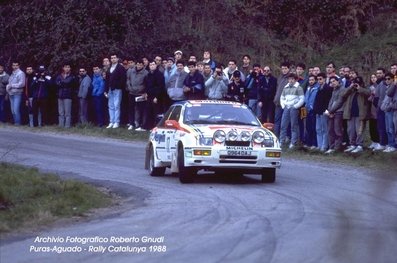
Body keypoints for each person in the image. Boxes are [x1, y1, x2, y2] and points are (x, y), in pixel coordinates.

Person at [342, 76, 371, 153]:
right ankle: (352, 145)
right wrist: (350, 87)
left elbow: (368, 93)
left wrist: (359, 88)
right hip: (350, 113)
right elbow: (343, 95)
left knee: (359, 130)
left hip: (360, 114)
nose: (356, 84)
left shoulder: (363, 89)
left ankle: (359, 145)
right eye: (355, 83)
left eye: (358, 83)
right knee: (351, 130)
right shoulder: (350, 91)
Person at [279, 73, 305, 148]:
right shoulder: (285, 87)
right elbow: (282, 97)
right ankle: (281, 141)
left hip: (294, 108)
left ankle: (293, 142)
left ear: (295, 79)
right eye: (289, 79)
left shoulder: (299, 88)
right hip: (286, 107)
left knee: (294, 125)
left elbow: (302, 99)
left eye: (292, 79)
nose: (290, 80)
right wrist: (284, 106)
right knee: (283, 125)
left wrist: (295, 106)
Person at [142, 60, 165, 131]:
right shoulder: (148, 75)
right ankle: (148, 126)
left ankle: (156, 127)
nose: (152, 66)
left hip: (157, 97)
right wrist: (145, 93)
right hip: (149, 96)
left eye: (153, 65)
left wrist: (157, 97)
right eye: (150, 65)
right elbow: (146, 85)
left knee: (156, 112)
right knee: (149, 111)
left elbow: (161, 86)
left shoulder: (159, 74)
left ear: (156, 65)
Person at [324, 76, 345, 154]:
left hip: (339, 112)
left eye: (334, 81)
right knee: (330, 130)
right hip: (331, 112)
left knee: (337, 130)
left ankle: (337, 148)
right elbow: (331, 101)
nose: (332, 83)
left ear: (338, 81)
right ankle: (331, 147)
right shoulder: (334, 90)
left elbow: (340, 102)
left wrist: (331, 111)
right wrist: (329, 111)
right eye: (331, 82)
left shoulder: (342, 89)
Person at [105, 54, 126, 129]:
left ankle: (116, 122)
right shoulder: (109, 68)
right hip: (110, 89)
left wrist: (118, 86)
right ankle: (111, 121)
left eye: (114, 58)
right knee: (110, 105)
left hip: (117, 89)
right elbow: (107, 80)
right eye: (112, 58)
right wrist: (106, 90)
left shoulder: (120, 68)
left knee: (116, 105)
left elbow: (123, 79)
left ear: (117, 59)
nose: (113, 59)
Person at [126, 59, 148, 130]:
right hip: (131, 92)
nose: (139, 66)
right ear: (136, 64)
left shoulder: (146, 73)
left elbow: (146, 84)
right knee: (131, 109)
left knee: (140, 109)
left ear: (143, 65)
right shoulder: (130, 71)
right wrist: (130, 87)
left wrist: (141, 89)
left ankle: (139, 124)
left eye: (140, 65)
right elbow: (128, 80)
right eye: (138, 64)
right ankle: (131, 123)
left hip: (140, 93)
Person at [313, 72, 332, 152]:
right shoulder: (318, 88)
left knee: (325, 129)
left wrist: (326, 110)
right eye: (318, 79)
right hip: (318, 111)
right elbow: (316, 101)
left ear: (324, 79)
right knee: (318, 129)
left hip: (324, 111)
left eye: (320, 79)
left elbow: (328, 101)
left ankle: (324, 146)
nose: (319, 81)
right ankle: (319, 145)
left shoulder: (328, 88)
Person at [55, 62, 78, 128]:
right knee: (61, 112)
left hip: (68, 95)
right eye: (65, 67)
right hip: (60, 95)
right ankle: (61, 125)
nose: (67, 68)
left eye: (68, 67)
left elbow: (70, 83)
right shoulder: (59, 76)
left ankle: (67, 126)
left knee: (67, 112)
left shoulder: (72, 76)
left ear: (70, 68)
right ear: (63, 68)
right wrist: (64, 83)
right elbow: (56, 84)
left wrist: (62, 83)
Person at [372, 67, 388, 151]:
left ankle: (385, 144)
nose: (378, 75)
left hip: (385, 108)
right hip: (379, 108)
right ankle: (382, 143)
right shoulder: (379, 83)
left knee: (386, 127)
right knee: (380, 127)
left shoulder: (385, 83)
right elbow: (376, 96)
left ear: (384, 74)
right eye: (377, 73)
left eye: (380, 73)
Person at [6, 61, 26, 125]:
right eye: (13, 65)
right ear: (12, 66)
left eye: (16, 65)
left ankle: (18, 123)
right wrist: (8, 87)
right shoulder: (12, 73)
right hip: (11, 94)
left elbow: (22, 84)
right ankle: (15, 123)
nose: (15, 67)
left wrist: (11, 86)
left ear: (19, 66)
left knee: (16, 109)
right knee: (12, 110)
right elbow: (9, 83)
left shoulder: (21, 73)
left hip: (17, 94)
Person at [273, 62, 290, 137]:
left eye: (285, 68)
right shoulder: (280, 77)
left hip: (285, 103)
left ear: (288, 69)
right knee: (277, 121)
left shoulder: (290, 78)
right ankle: (276, 137)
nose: (284, 70)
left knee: (285, 122)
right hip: (277, 102)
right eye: (282, 68)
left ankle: (284, 138)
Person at [382, 72, 396, 152]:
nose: (387, 80)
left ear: (393, 79)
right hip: (386, 110)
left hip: (391, 110)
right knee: (387, 129)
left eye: (388, 79)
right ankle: (389, 144)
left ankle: (393, 145)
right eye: (386, 79)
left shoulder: (394, 86)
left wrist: (389, 106)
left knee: (391, 129)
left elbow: (391, 96)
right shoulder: (388, 86)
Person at [304, 75, 319, 148]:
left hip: (313, 110)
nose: (311, 81)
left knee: (314, 127)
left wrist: (312, 107)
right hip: (306, 110)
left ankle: (314, 143)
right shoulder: (308, 88)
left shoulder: (317, 88)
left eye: (312, 80)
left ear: (315, 80)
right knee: (308, 127)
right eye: (310, 80)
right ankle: (308, 143)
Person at [367, 74, 380, 149]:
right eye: (372, 77)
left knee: (376, 126)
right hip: (370, 108)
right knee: (371, 126)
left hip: (376, 108)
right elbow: (368, 98)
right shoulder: (369, 87)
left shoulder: (379, 86)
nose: (373, 79)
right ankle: (373, 141)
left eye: (374, 77)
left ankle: (378, 141)